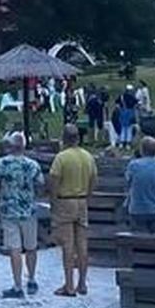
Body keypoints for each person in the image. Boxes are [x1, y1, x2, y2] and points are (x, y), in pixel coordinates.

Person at [0, 133, 44, 298]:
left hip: (9, 210)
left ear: (10, 146)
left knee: (14, 248)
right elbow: (41, 184)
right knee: (31, 247)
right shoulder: (32, 165)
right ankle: (32, 279)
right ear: (23, 146)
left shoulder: (2, 163)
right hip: (28, 210)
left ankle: (17, 285)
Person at [49, 123, 97, 297]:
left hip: (65, 201)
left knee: (68, 245)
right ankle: (82, 283)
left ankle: (69, 285)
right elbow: (93, 179)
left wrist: (54, 203)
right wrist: (87, 196)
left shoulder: (61, 158)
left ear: (64, 138)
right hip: (82, 201)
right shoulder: (88, 157)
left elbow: (54, 181)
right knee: (82, 244)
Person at [125, 137, 155, 234]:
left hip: (138, 210)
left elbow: (128, 182)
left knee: (139, 239)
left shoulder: (133, 165)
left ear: (141, 150)